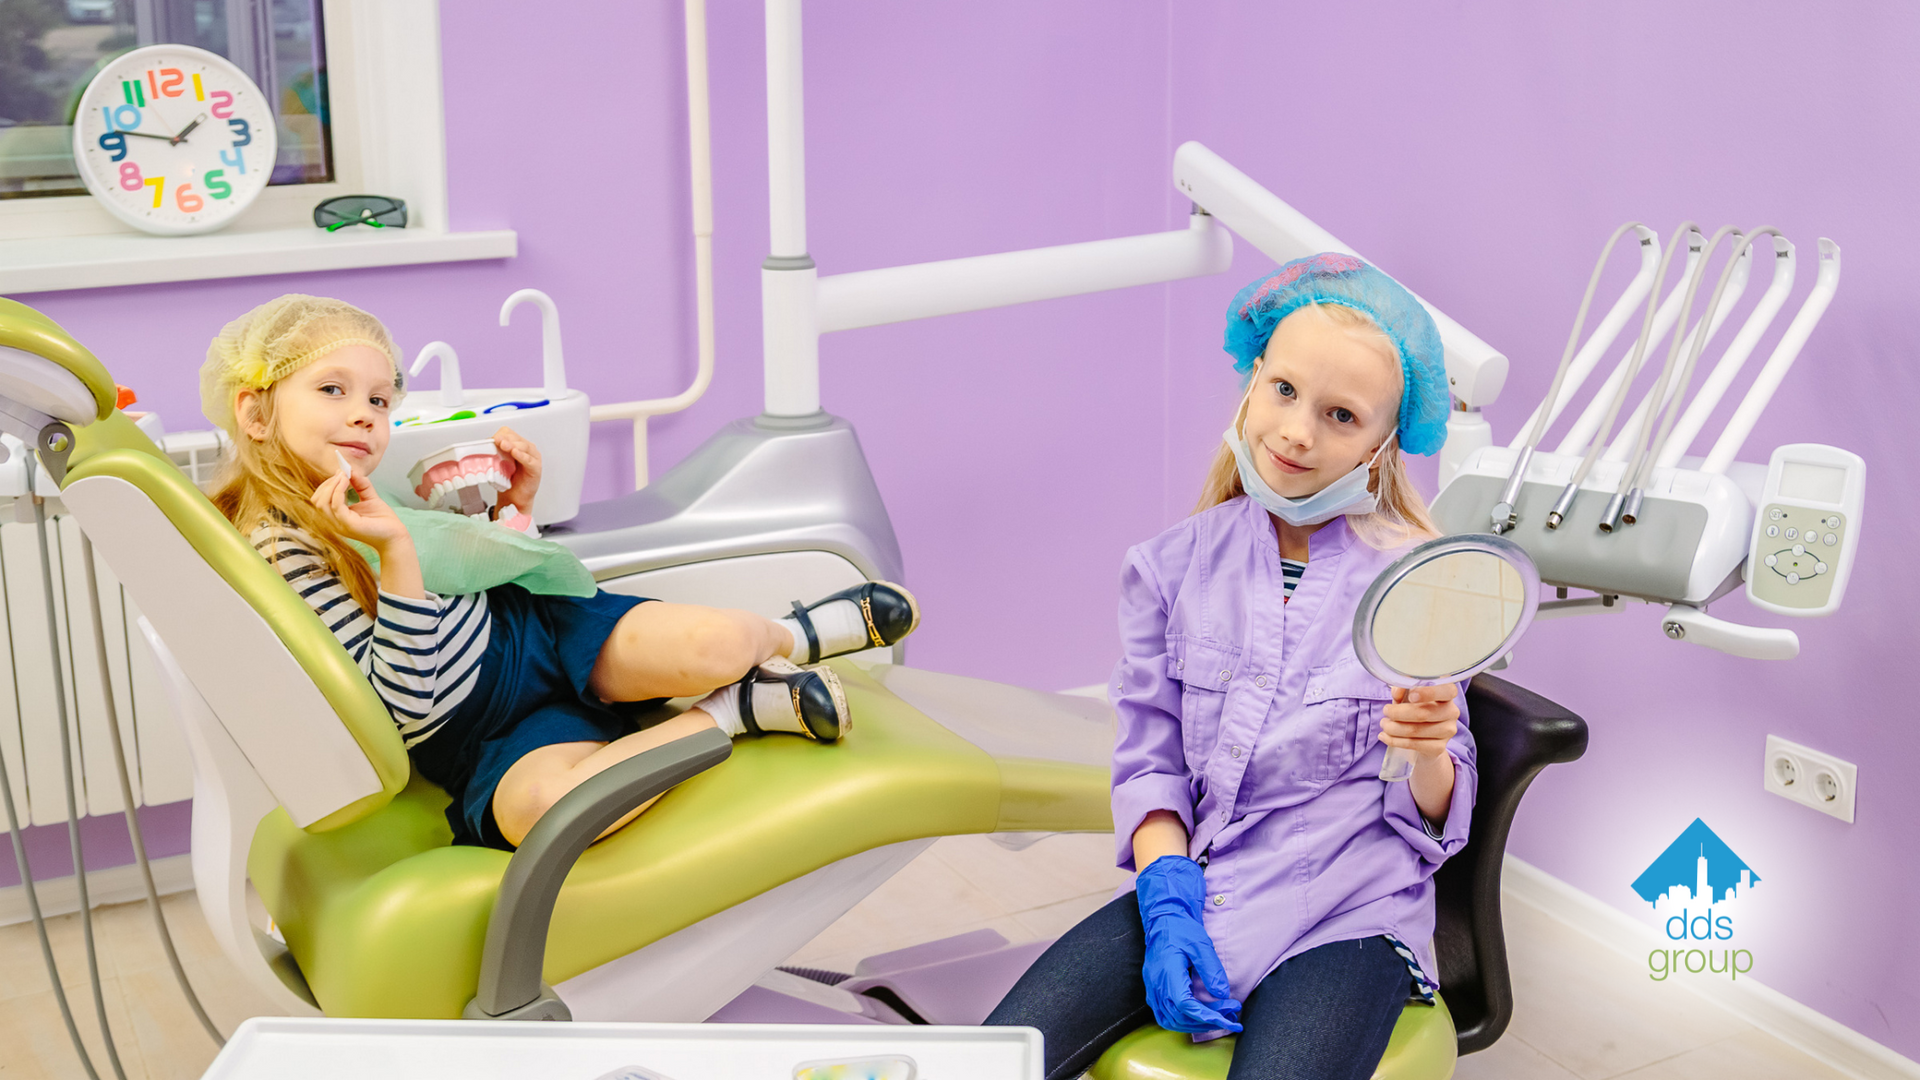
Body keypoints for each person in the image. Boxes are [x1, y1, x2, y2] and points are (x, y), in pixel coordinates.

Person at [986, 255, 1475, 1080]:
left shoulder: (1419, 583)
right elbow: (1151, 761)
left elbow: (1432, 813)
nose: (1297, 432)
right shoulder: (1167, 568)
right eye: (1283, 391)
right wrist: (1168, 897)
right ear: (1251, 383)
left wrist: (1430, 746)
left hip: (1348, 913)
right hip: (1201, 885)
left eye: (1341, 415)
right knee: (991, 1060)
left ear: (1384, 445)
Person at [200, 294, 920, 851]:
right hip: (476, 731)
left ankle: (793, 636)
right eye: (333, 390)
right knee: (542, 812)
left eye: (380, 399)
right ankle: (736, 710)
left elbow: (469, 571)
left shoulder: (364, 493)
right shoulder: (281, 552)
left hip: (541, 631)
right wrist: (396, 556)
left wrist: (515, 516)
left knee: (722, 646)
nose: (364, 416)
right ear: (255, 413)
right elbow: (407, 706)